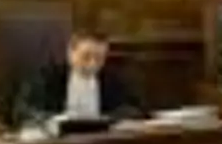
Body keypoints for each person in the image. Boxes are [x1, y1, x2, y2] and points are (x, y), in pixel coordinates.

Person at [12, 30, 143, 124]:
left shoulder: (112, 79)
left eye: (99, 58)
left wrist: (109, 118)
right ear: (70, 52)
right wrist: (55, 120)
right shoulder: (46, 77)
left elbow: (135, 110)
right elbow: (22, 112)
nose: (92, 64)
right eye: (86, 57)